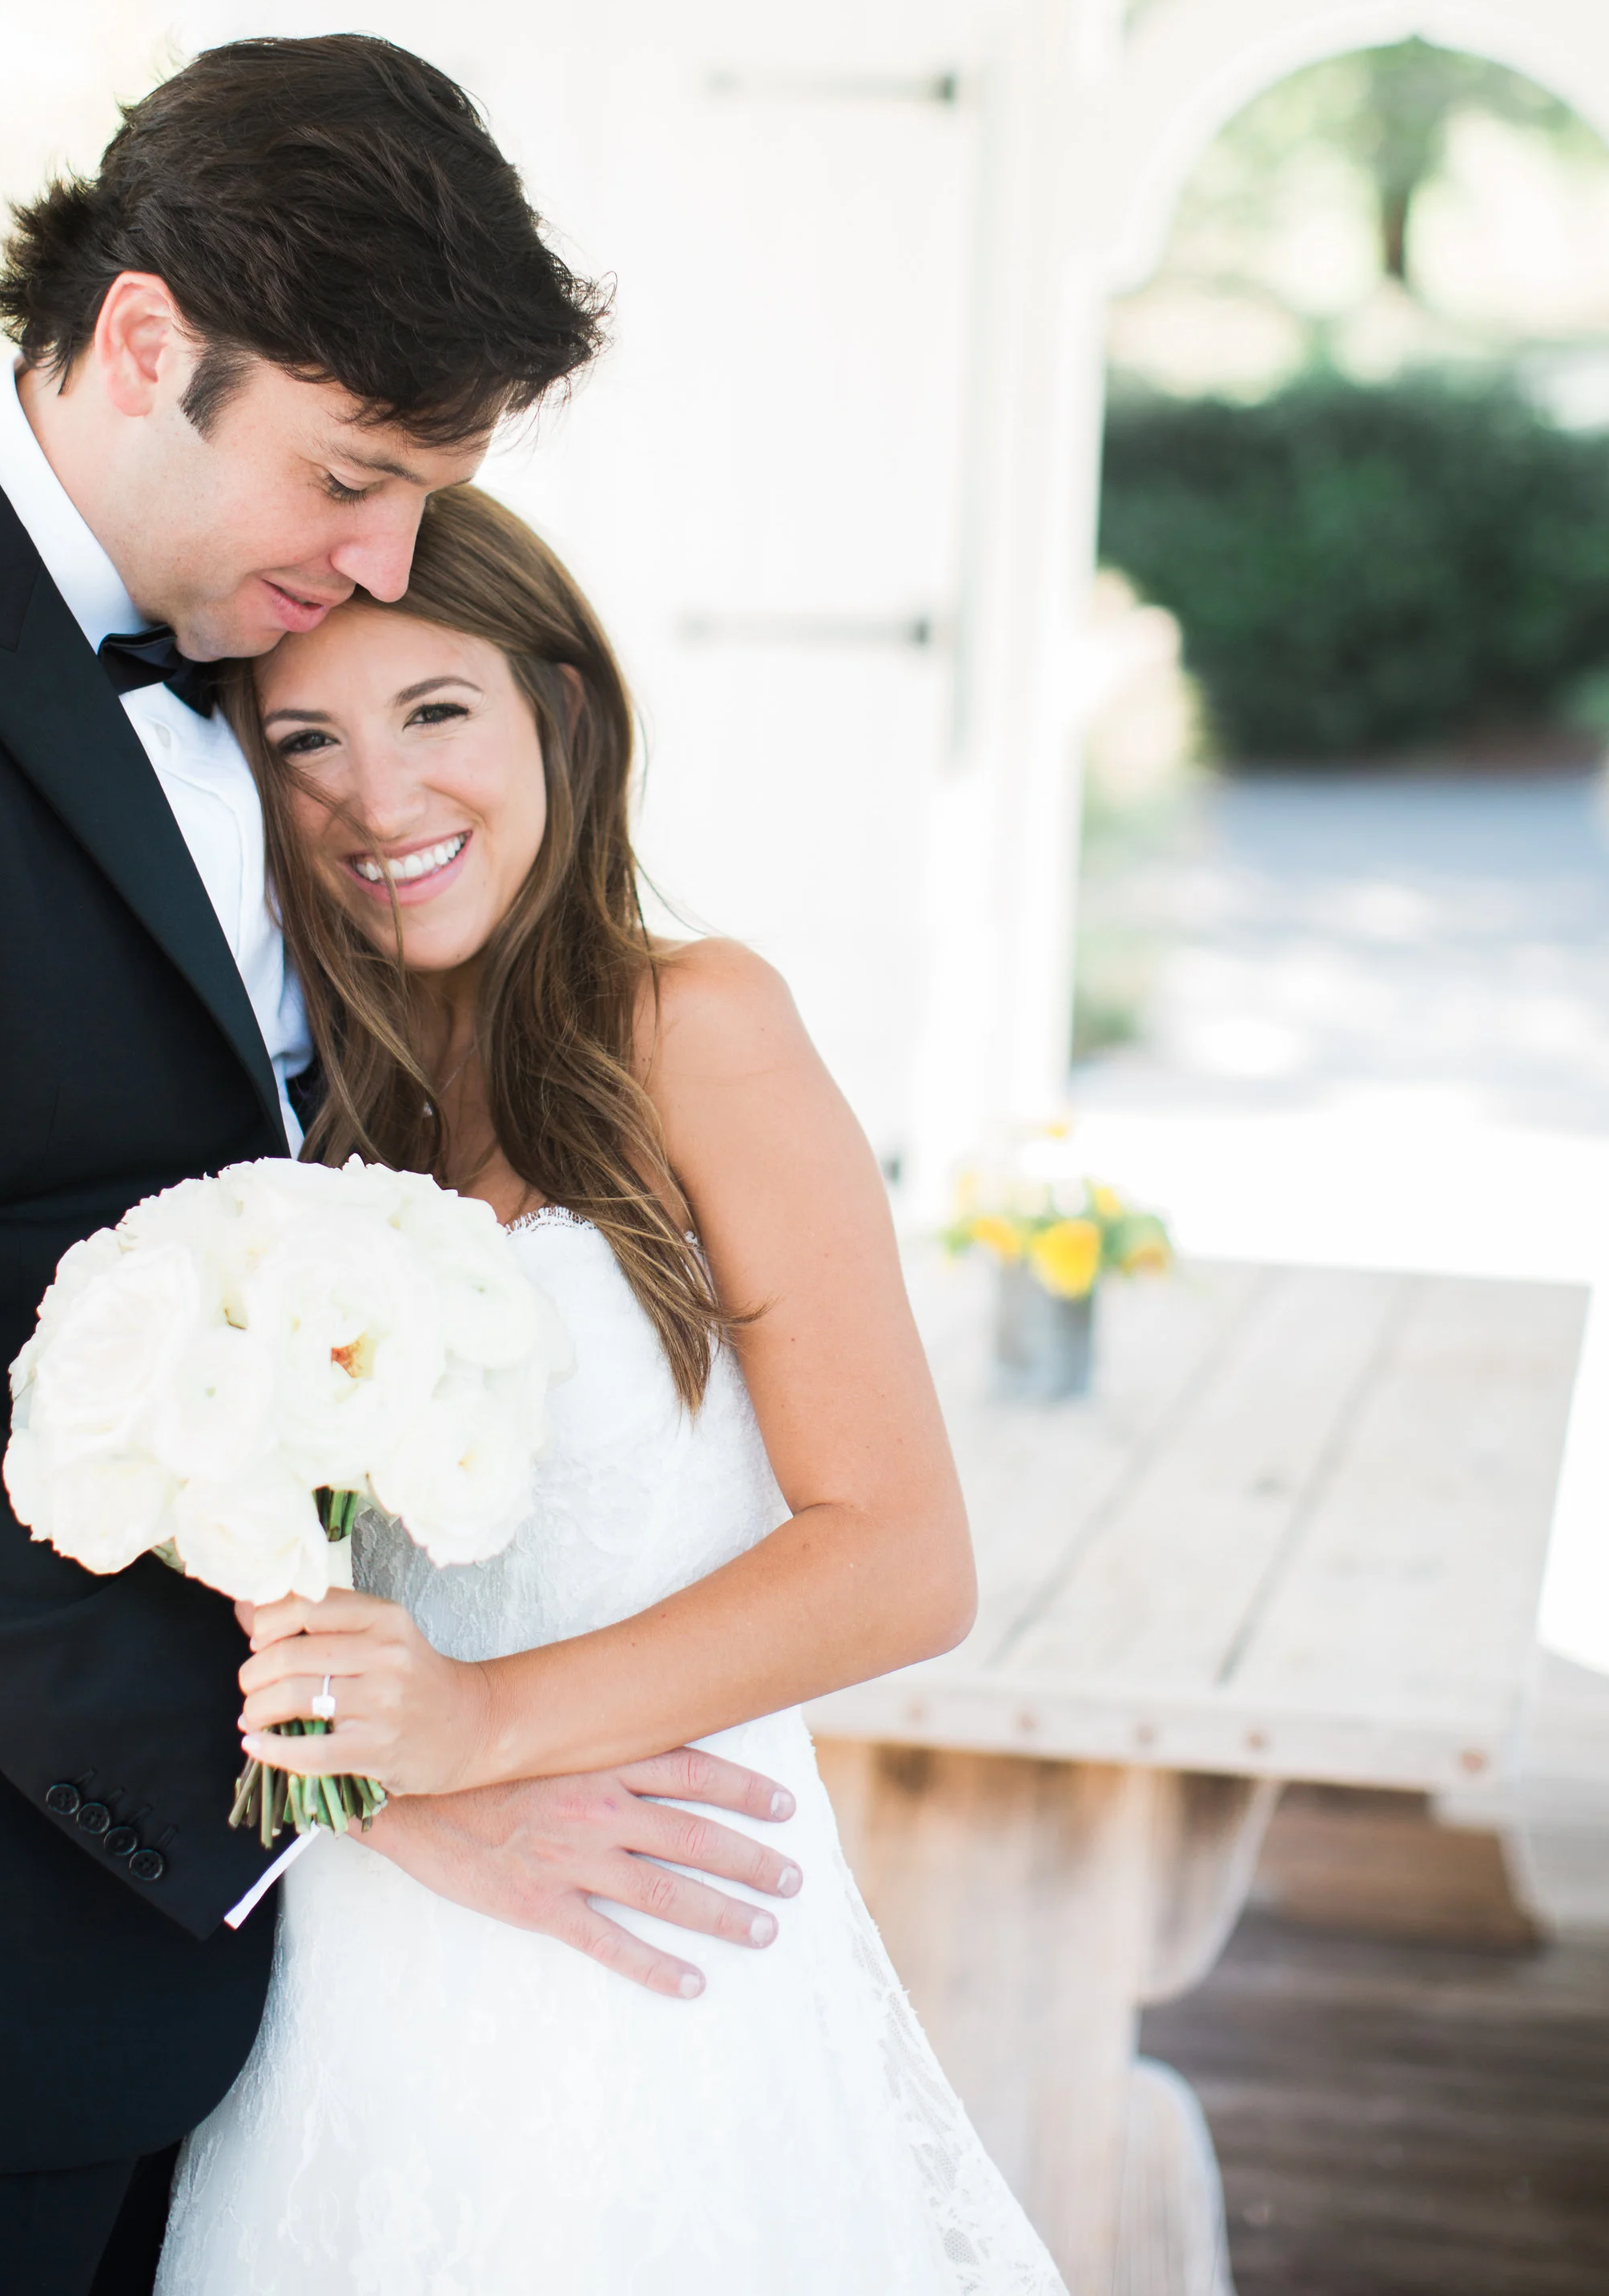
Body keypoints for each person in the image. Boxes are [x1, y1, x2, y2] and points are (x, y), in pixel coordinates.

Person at [0, 38, 802, 2296]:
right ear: (139, 342)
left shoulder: (274, 677)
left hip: (268, 2028)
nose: (384, 562)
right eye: (351, 474)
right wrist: (349, 1790)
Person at [157, 486, 1068, 2294]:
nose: (378, 801)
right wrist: (405, 1797)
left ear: (562, 712)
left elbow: (900, 1557)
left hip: (640, 1945)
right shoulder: (300, 1105)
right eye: (305, 743)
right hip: (355, 1944)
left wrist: (485, 1728)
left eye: (436, 714)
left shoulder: (695, 1028)